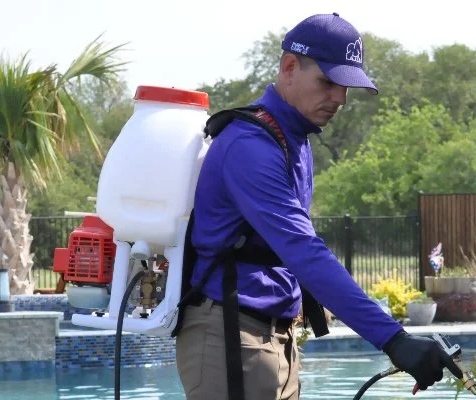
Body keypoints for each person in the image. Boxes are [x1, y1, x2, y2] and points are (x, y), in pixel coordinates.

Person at [174, 12, 461, 400]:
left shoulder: (295, 139)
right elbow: (305, 252)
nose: (340, 98)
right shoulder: (250, 147)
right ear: (289, 67)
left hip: (275, 336)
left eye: (346, 86)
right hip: (230, 334)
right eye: (328, 81)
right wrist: (394, 339)